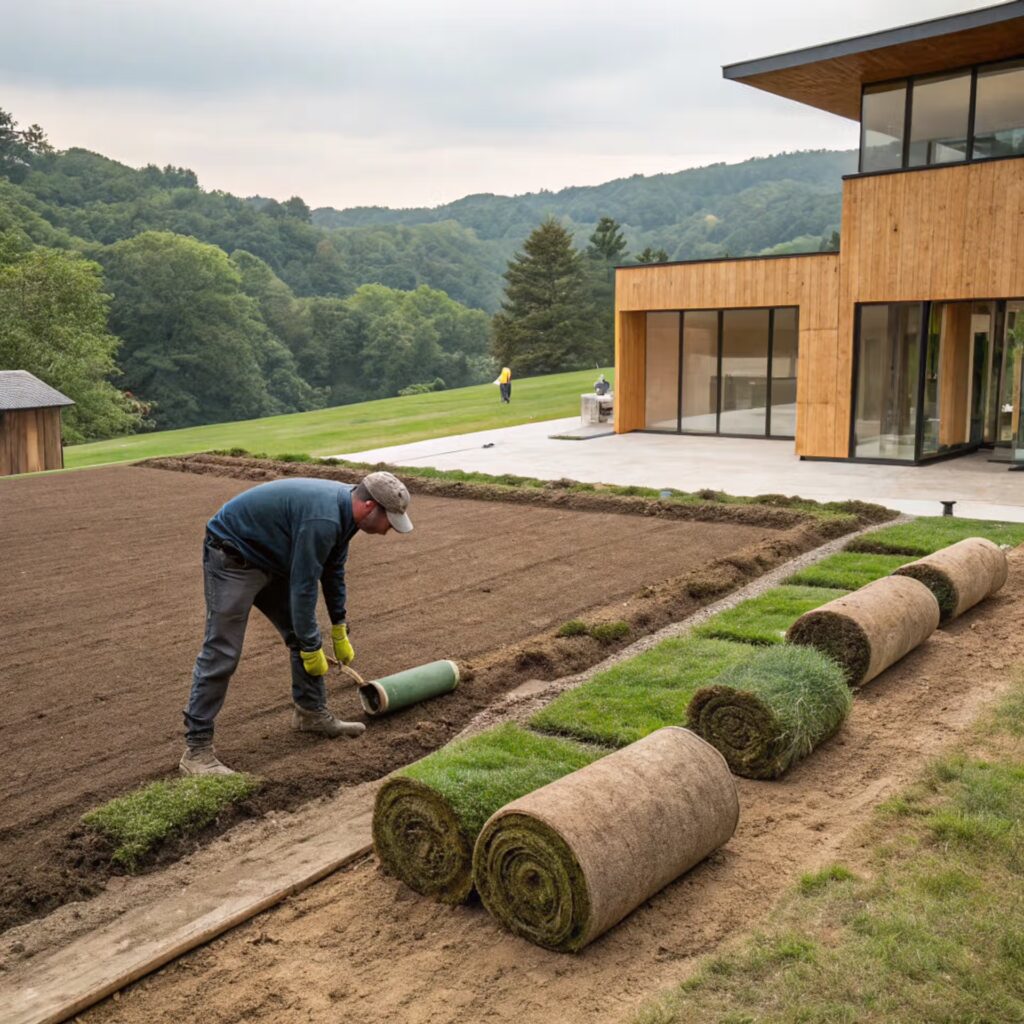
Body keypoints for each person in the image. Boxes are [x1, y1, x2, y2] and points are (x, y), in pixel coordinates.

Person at [179, 471, 413, 776]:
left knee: (298, 634)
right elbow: (303, 586)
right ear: (369, 506)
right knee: (223, 651)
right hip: (233, 556)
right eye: (389, 521)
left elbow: (333, 570)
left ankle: (311, 714)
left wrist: (340, 625)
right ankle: (196, 752)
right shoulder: (324, 519)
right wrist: (312, 646)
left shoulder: (347, 513)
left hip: (273, 558)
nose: (389, 530)